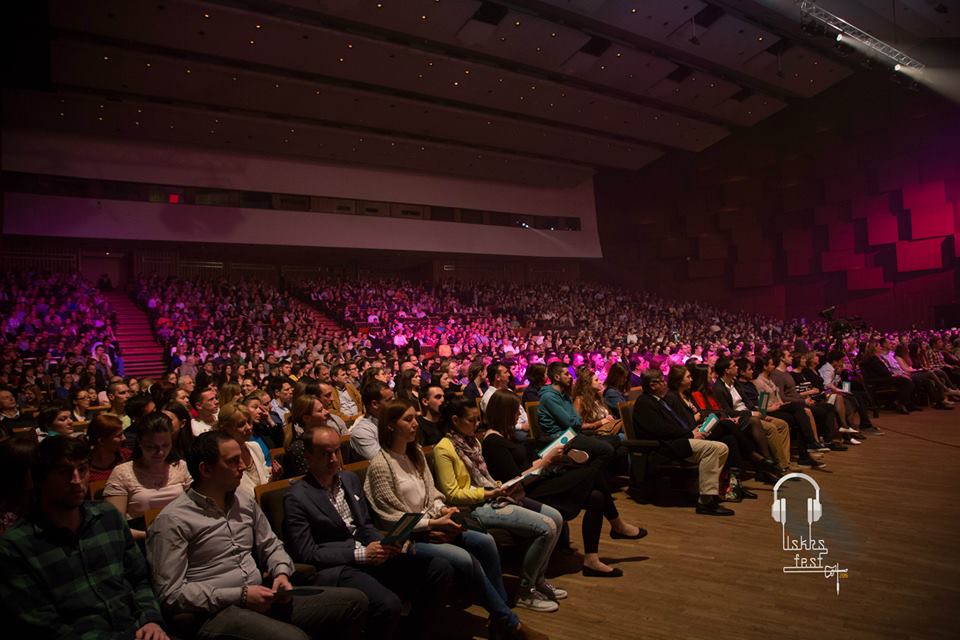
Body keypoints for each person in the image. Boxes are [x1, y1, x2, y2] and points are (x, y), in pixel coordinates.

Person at [147, 431, 368, 640]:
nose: (243, 466)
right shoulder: (173, 520)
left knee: (355, 602)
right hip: (214, 612)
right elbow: (171, 594)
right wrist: (240, 595)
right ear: (205, 470)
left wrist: (281, 573)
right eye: (233, 461)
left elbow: (271, 545)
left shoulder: (242, 500)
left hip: (263, 596)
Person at [365, 400, 549, 640]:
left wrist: (443, 510)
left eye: (414, 418)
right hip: (407, 539)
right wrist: (432, 523)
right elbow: (391, 518)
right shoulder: (380, 465)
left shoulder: (416, 453)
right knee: (464, 558)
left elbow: (433, 495)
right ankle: (509, 622)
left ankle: (499, 616)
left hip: (433, 525)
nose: (414, 424)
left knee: (485, 542)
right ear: (390, 426)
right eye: (407, 419)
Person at [283, 425, 453, 639]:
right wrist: (360, 554)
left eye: (336, 451)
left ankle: (413, 631)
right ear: (308, 457)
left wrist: (386, 543)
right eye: (325, 454)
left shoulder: (349, 479)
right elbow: (306, 552)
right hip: (338, 567)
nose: (334, 459)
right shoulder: (297, 497)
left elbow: (365, 526)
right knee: (387, 603)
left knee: (439, 568)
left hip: (371, 555)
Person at [0, 436, 168, 639]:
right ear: (40, 479)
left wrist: (151, 620)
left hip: (137, 629)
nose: (76, 480)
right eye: (64, 472)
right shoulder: (16, 546)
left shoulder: (107, 517)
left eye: (82, 469)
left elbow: (139, 578)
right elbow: (43, 625)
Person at [483, 389, 644, 577]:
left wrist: (553, 457)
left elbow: (529, 465)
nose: (519, 413)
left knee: (596, 497)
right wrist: (547, 460)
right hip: (525, 494)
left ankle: (591, 560)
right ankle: (617, 524)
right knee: (592, 472)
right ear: (503, 412)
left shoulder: (505, 435)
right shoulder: (493, 442)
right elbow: (514, 481)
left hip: (538, 481)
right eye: (514, 410)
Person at [433, 397, 565, 612]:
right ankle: (525, 591)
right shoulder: (444, 448)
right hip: (474, 507)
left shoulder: (472, 441)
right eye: (472, 420)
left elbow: (483, 475)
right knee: (546, 527)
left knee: (556, 517)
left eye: (478, 419)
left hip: (492, 495)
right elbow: (452, 493)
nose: (477, 424)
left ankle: (538, 580)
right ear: (455, 420)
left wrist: (499, 486)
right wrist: (489, 492)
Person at [631, 369, 734, 516]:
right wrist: (690, 433)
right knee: (715, 449)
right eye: (661, 381)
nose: (665, 383)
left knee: (723, 447)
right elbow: (661, 430)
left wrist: (692, 430)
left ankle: (702, 489)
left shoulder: (658, 400)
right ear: (653, 385)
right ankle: (705, 501)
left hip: (677, 440)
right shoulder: (645, 403)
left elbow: (673, 425)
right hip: (665, 447)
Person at [103, 412, 192, 540]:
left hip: (180, 535)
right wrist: (151, 536)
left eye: (165, 445)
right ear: (140, 442)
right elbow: (115, 527)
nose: (160, 452)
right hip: (141, 539)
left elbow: (194, 507)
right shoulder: (123, 472)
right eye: (151, 447)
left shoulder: (179, 466)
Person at [537, 362, 616, 471]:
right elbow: (569, 422)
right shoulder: (548, 397)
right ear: (557, 377)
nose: (570, 377)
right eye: (567, 374)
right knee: (607, 449)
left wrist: (576, 421)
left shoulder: (565, 394)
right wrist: (577, 421)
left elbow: (575, 417)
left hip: (573, 433)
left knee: (615, 441)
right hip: (561, 437)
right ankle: (589, 479)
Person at [217, 402, 277, 498]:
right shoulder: (223, 458)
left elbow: (264, 483)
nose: (249, 428)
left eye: (249, 422)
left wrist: (274, 476)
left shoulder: (254, 446)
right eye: (241, 425)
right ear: (225, 429)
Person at [349, 380, 394, 461]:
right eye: (389, 400)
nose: (394, 403)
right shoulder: (361, 431)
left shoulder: (394, 420)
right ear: (375, 404)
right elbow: (382, 461)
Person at [87, 413, 130, 482]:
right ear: (101, 441)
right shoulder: (85, 467)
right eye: (119, 435)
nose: (124, 438)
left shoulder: (127, 456)